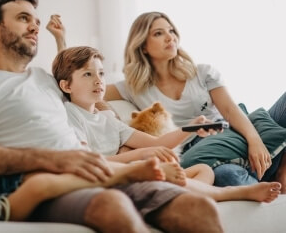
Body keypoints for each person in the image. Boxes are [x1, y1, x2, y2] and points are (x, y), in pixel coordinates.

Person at [0, 0, 224, 232]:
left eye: (36, 21)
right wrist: (54, 158)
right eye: (23, 19)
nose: (35, 27)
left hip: (96, 170)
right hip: (39, 183)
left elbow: (85, 85)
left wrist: (181, 127)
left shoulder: (44, 80)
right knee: (113, 206)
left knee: (198, 209)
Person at [52, 45, 281, 203]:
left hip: (133, 170)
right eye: (88, 74)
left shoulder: (107, 120)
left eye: (101, 74)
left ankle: (180, 193)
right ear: (66, 86)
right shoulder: (69, 115)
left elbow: (157, 143)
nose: (99, 80)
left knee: (203, 170)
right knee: (163, 170)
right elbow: (87, 162)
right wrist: (137, 156)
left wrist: (191, 128)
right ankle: (228, 193)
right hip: (109, 175)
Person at [104, 11, 286, 192]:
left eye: (171, 31)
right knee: (227, 176)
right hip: (203, 152)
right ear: (143, 46)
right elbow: (91, 91)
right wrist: (111, 117)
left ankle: (279, 167)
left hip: (234, 134)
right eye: (158, 33)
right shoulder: (133, 88)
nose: (170, 37)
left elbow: (230, 111)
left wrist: (254, 140)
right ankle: (268, 180)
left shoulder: (202, 72)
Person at [0, 128, 169, 221]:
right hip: (0, 204)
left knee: (47, 177)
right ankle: (122, 174)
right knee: (41, 184)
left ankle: (123, 173)